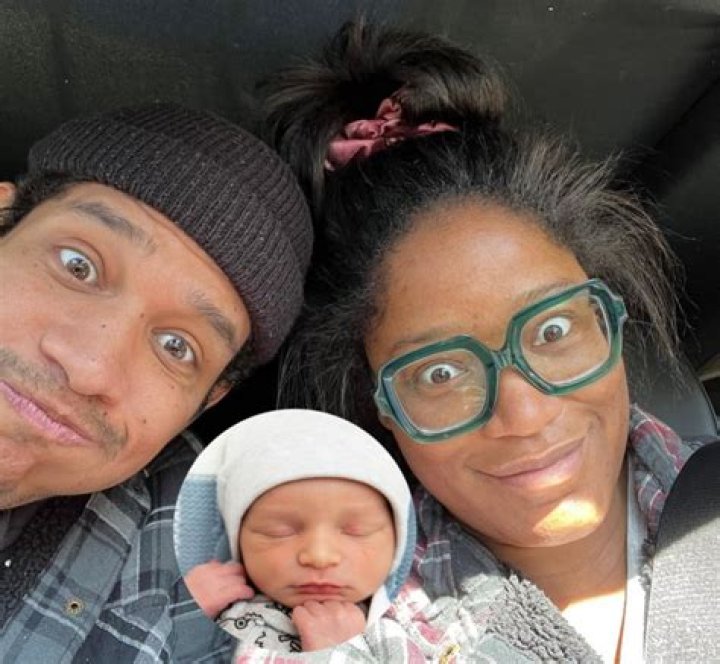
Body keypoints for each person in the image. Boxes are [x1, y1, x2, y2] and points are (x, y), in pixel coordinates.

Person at [261, 22, 716, 662]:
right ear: (381, 407)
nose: (525, 415)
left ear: (606, 318)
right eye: (440, 373)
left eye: (553, 330)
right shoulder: (344, 628)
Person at [0, 103, 313, 661]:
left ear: (207, 401)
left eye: (177, 348)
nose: (90, 368)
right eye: (77, 266)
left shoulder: (186, 559)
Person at [174, 408, 415, 656]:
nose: (319, 556)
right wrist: (187, 608)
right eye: (279, 532)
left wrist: (339, 651)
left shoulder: (401, 627)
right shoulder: (217, 603)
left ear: (399, 540)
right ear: (239, 539)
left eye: (357, 531)